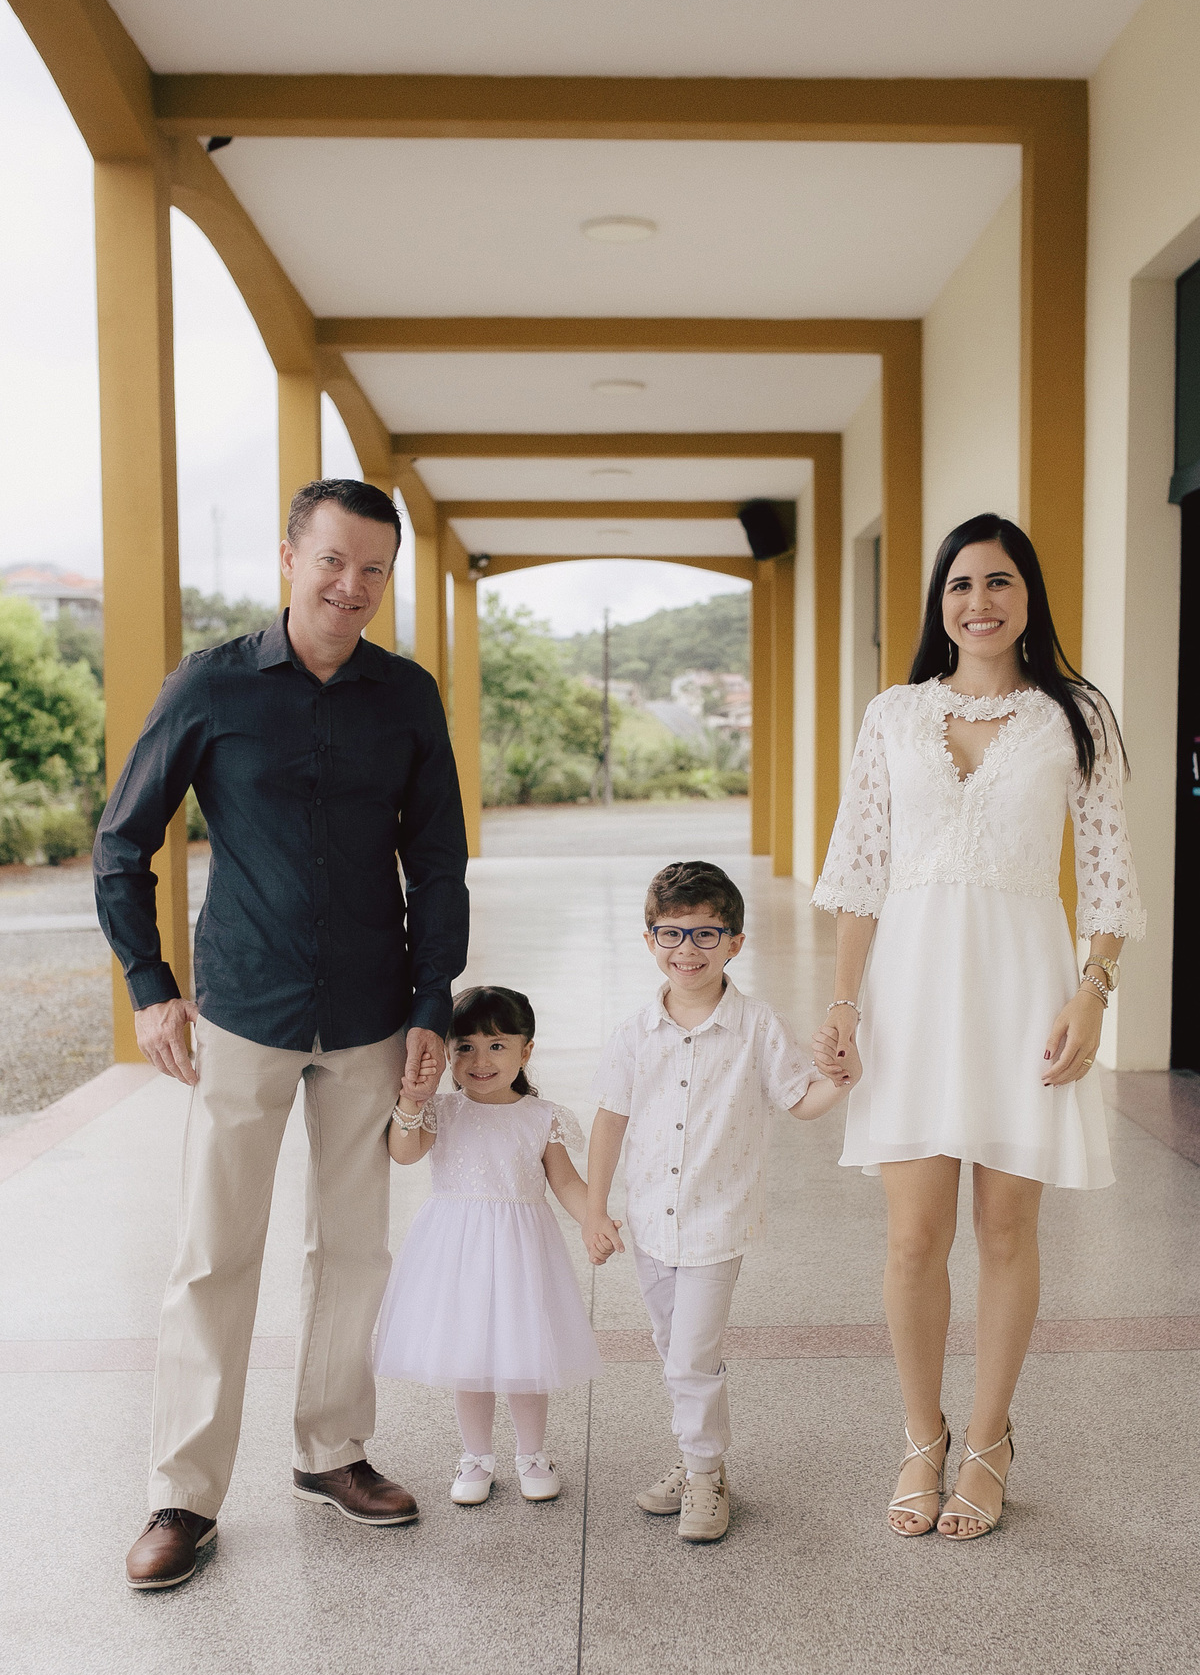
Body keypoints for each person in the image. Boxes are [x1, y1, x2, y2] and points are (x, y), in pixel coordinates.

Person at [95, 478, 469, 1591]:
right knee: (215, 1251)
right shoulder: (212, 686)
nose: (351, 587)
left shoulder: (406, 695)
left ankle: (333, 1452)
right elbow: (122, 844)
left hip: (369, 1010)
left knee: (354, 1248)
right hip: (247, 1010)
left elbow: (438, 860)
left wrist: (432, 1001)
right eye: (333, 562)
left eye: (373, 571)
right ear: (288, 559)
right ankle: (183, 1493)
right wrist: (153, 987)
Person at [811, 513, 1144, 1541]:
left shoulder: (1073, 714)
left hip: (1021, 990)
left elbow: (1108, 874)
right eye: (961, 585)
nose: (980, 602)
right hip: (910, 992)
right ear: (939, 603)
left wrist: (1091, 992)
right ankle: (924, 1435)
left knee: (1007, 1229)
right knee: (914, 1236)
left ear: (1029, 595)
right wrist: (843, 1002)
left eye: (1000, 582)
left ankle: (991, 1440)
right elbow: (860, 873)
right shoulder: (894, 714)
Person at [585, 861, 860, 1543]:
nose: (688, 950)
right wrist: (595, 1208)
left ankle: (706, 1473)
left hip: (716, 1223)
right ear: (650, 939)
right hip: (650, 1222)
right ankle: (693, 1456)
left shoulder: (756, 1027)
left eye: (706, 935)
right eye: (671, 933)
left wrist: (842, 1082)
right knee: (671, 1346)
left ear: (736, 942)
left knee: (691, 1356)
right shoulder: (633, 1033)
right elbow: (609, 1119)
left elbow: (801, 1100)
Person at [376, 986, 611, 1505]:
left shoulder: (541, 1115)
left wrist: (594, 1218)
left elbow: (566, 1182)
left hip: (523, 1251)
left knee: (525, 1351)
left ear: (526, 1051)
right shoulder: (442, 1110)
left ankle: (532, 1452)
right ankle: (476, 1455)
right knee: (469, 1353)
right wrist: (411, 1102)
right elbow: (404, 1152)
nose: (481, 1060)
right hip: (457, 1251)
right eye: (465, 1047)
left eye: (498, 1046)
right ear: (446, 1053)